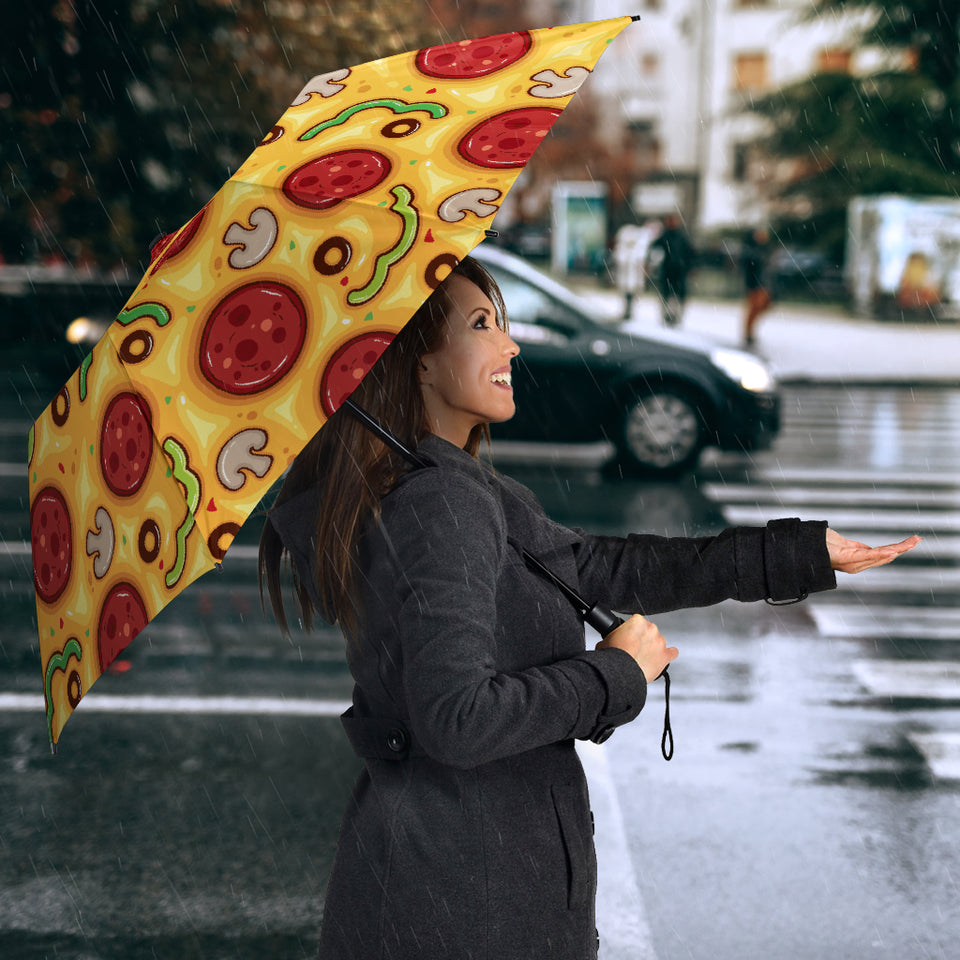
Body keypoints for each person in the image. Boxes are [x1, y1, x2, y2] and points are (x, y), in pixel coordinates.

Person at [258, 256, 919, 960]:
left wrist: (796, 554)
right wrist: (614, 673)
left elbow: (603, 567)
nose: (511, 345)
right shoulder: (440, 504)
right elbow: (456, 719)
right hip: (466, 902)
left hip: (454, 883)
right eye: (483, 325)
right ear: (417, 362)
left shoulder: (449, 487)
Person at [648, 213, 695, 327]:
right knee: (667, 294)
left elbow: (690, 253)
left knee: (677, 295)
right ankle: (667, 315)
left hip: (679, 271)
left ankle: (675, 316)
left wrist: (690, 267)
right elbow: (654, 249)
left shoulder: (681, 237)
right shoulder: (665, 236)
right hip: (668, 270)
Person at [741, 226, 772, 347]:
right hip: (754, 284)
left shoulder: (763, 249)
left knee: (762, 306)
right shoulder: (750, 250)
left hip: (763, 283)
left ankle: (750, 331)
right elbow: (750, 265)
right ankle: (748, 333)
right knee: (754, 308)